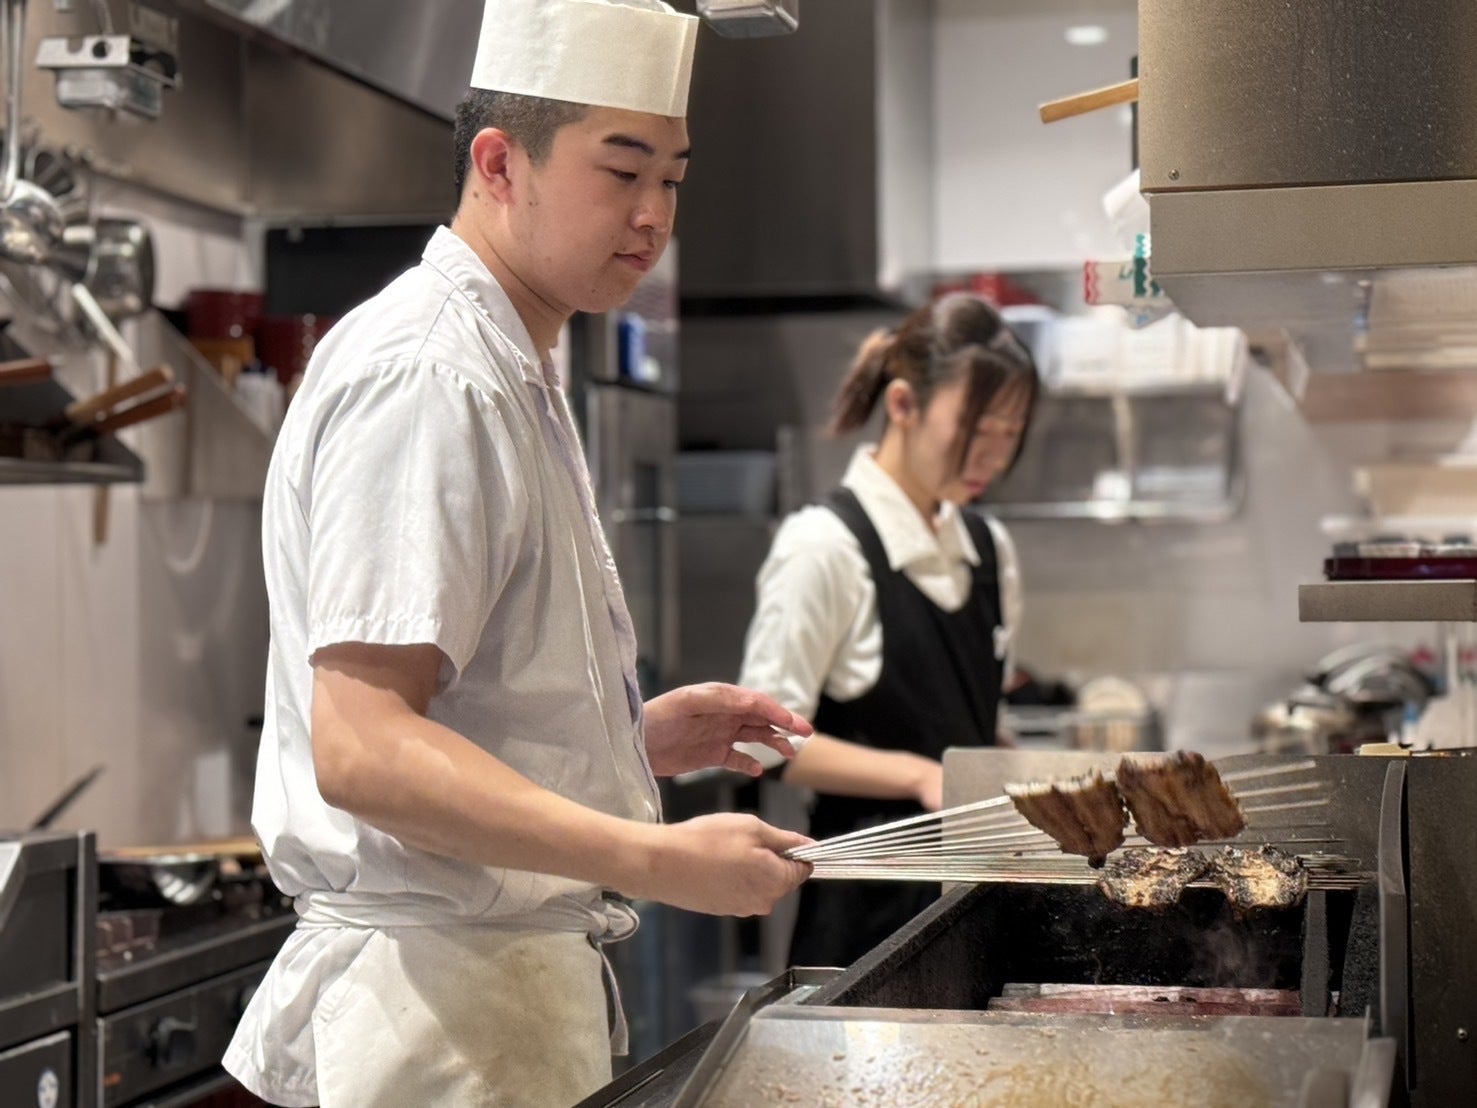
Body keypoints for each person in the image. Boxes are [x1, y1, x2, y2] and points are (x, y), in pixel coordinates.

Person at [222, 2, 813, 1105]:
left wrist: (625, 741)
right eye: (620, 171)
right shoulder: (431, 373)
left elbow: (456, 716)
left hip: (479, 1005)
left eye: (672, 178)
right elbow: (364, 748)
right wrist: (657, 858)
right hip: (433, 1019)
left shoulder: (511, 360)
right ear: (499, 163)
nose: (652, 214)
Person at [737, 294, 1038, 969]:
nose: (993, 455)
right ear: (903, 405)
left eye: (1010, 432)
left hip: (974, 902)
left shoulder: (989, 548)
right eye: (976, 428)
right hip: (863, 920)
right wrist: (919, 775)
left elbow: (980, 722)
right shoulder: (823, 546)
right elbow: (763, 741)